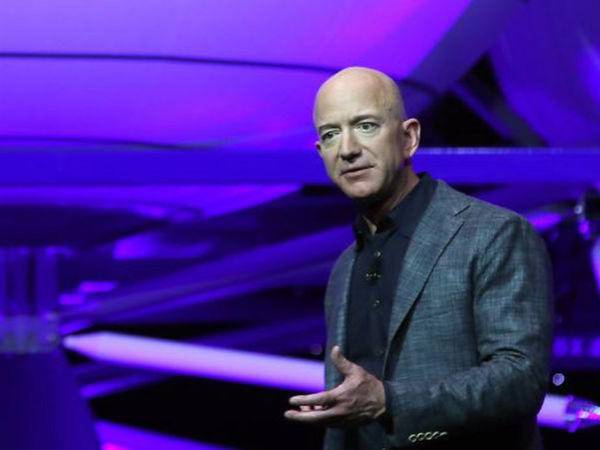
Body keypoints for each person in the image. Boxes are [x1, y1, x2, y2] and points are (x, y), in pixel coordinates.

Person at [284, 67, 553, 450]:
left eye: (365, 126)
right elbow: (347, 413)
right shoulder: (345, 268)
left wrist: (389, 402)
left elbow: (520, 380)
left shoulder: (493, 233)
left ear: (408, 137)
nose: (347, 149)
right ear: (321, 153)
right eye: (330, 134)